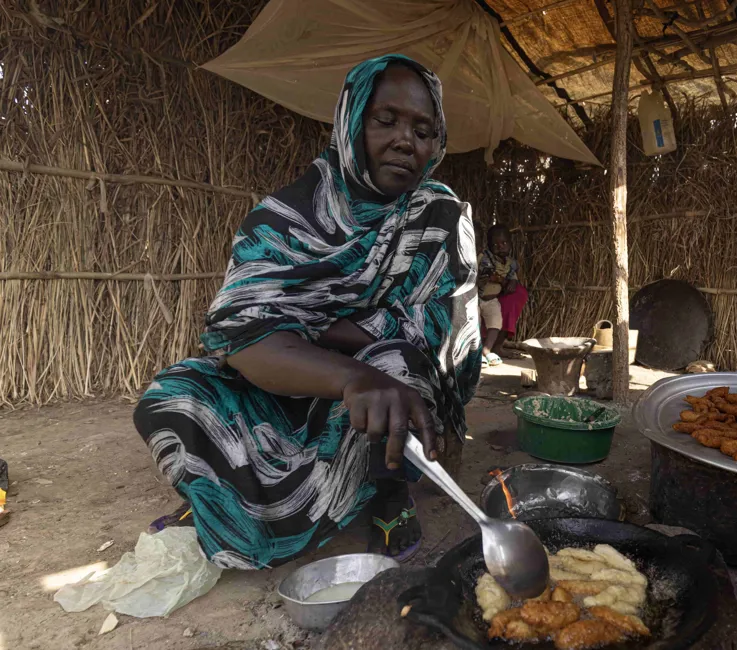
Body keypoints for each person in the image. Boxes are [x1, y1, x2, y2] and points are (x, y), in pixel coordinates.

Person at [133, 55, 481, 569]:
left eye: (424, 130)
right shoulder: (285, 218)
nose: (407, 140)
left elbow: (440, 331)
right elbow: (243, 337)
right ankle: (220, 498)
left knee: (399, 367)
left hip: (378, 391)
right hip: (290, 385)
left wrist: (313, 333)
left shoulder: (439, 217)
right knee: (174, 396)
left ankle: (388, 496)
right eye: (386, 121)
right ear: (351, 121)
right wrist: (344, 369)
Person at [477, 225, 528, 366]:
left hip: (492, 299)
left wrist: (510, 281)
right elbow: (476, 274)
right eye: (495, 244)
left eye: (504, 243)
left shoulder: (511, 264)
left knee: (495, 323)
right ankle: (475, 352)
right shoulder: (484, 258)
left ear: (511, 244)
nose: (500, 247)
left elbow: (513, 278)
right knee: (474, 321)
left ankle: (488, 349)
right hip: (477, 297)